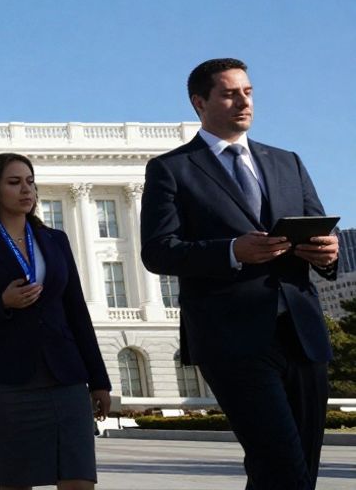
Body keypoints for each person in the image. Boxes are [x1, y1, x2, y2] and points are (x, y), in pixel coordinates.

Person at [140, 58, 339, 490]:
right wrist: (233, 250)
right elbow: (158, 251)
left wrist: (327, 252)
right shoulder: (172, 169)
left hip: (300, 331)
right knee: (281, 461)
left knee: (297, 465)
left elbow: (319, 233)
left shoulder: (289, 162)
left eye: (248, 92)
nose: (243, 101)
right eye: (230, 93)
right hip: (230, 336)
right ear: (200, 102)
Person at [0, 152, 111, 490]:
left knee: (80, 481)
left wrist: (99, 380)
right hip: (4, 382)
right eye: (14, 182)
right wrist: (1, 302)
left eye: (30, 182)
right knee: (16, 483)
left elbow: (76, 311)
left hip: (64, 376)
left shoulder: (55, 240)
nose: (26, 190)